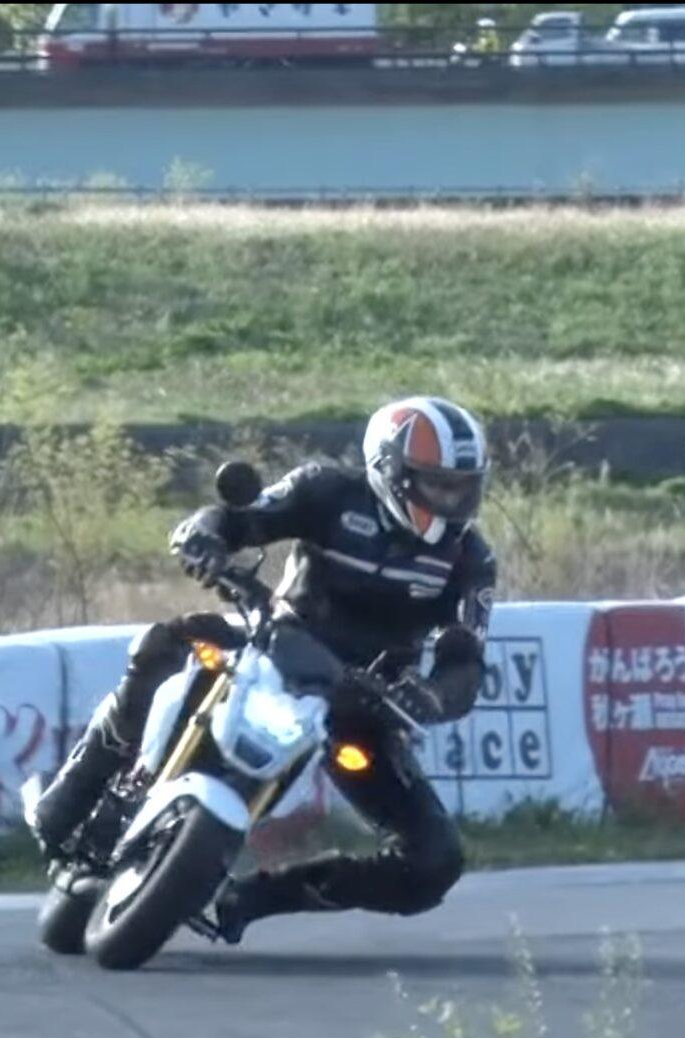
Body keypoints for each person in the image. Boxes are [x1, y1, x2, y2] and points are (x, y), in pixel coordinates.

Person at [26, 396, 499, 944]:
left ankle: (257, 896)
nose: (452, 499)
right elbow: (238, 516)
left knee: (435, 861)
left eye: (463, 486)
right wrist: (205, 539)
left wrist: (434, 695)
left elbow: (465, 658)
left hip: (359, 702)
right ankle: (70, 798)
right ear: (390, 470)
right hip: (273, 644)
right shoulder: (327, 491)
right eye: (438, 484)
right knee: (166, 644)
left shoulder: (471, 559)